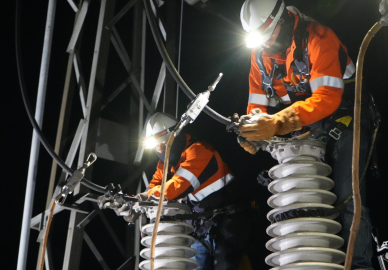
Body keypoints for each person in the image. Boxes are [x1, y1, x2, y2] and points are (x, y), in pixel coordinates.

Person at [238, 1, 375, 269]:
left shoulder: (319, 37)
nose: (265, 44)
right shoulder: (258, 57)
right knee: (298, 195)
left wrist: (278, 121)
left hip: (347, 117)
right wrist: (251, 130)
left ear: (283, 20)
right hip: (304, 126)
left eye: (268, 36)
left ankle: (358, 264)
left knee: (348, 196)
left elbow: (327, 97)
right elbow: (256, 105)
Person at [142, 112, 255, 270]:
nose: (160, 149)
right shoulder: (166, 165)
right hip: (200, 226)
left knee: (225, 264)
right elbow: (152, 188)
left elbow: (179, 184)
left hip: (229, 220)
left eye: (163, 142)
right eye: (155, 145)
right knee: (195, 267)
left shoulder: (200, 151)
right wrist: (132, 203)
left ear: (176, 135)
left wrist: (143, 198)